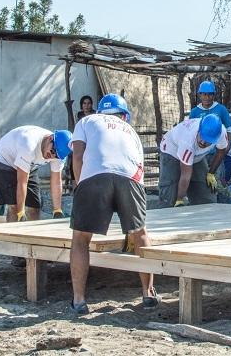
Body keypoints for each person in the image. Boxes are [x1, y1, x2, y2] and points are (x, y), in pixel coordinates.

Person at [70, 93, 160, 314]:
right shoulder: (131, 132)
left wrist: (81, 184)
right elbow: (140, 170)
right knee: (140, 234)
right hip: (130, 178)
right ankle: (148, 293)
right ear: (125, 115)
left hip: (94, 175)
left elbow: (78, 156)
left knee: (81, 238)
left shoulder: (86, 121)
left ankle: (79, 300)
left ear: (101, 111)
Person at [0, 126, 72, 223]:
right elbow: (22, 182)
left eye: (56, 156)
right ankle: (13, 234)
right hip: (6, 159)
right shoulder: (29, 145)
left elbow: (56, 181)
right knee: (14, 206)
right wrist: (20, 212)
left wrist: (57, 210)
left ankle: (32, 235)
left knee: (35, 206)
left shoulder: (58, 155)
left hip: (30, 164)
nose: (51, 156)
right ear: (50, 138)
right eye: (52, 151)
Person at [158, 114, 228, 208]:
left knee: (205, 193)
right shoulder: (187, 140)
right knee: (170, 194)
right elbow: (185, 175)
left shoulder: (221, 133)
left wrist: (211, 173)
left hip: (196, 156)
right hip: (171, 151)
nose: (203, 142)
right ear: (199, 129)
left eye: (208, 141)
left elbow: (221, 152)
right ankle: (168, 209)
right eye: (202, 137)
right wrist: (180, 199)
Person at [189, 80, 231, 146]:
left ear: (214, 95)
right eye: (204, 94)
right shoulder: (194, 112)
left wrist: (228, 146)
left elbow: (230, 129)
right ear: (200, 95)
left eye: (210, 94)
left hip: (217, 148)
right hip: (199, 148)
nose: (207, 97)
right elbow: (190, 130)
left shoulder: (221, 109)